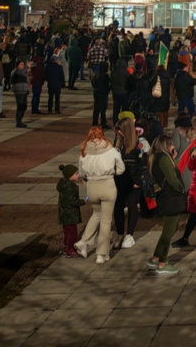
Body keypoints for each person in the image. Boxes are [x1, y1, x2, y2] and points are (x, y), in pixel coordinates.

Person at [75, 126, 124, 263]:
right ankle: (101, 254)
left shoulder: (84, 152)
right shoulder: (112, 150)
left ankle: (84, 242)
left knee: (97, 214)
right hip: (107, 185)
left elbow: (82, 173)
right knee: (106, 220)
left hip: (92, 187)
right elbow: (121, 169)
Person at [146, 134, 187, 275]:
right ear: (167, 146)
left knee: (169, 229)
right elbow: (171, 178)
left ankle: (155, 258)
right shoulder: (163, 159)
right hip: (171, 199)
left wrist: (173, 158)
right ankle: (163, 264)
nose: (173, 147)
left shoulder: (159, 158)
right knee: (168, 232)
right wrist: (181, 189)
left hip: (166, 199)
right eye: (172, 145)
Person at [112, 113, 147, 249]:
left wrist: (137, 181)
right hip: (120, 182)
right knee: (118, 208)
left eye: (119, 130)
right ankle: (120, 233)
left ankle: (129, 235)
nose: (117, 132)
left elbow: (142, 164)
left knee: (133, 208)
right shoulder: (118, 145)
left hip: (133, 183)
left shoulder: (139, 145)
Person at [57, 164, 84, 258]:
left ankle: (66, 248)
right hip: (70, 215)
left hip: (64, 214)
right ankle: (70, 250)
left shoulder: (63, 185)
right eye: (76, 174)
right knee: (72, 234)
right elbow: (73, 201)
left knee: (67, 233)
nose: (78, 175)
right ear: (70, 176)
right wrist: (83, 201)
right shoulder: (70, 187)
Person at [9, 60, 30, 129]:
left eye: (23, 64)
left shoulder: (23, 72)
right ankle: (18, 122)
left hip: (24, 90)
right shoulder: (16, 71)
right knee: (20, 106)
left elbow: (26, 79)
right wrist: (27, 67)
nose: (22, 65)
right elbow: (21, 72)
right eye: (21, 64)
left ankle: (20, 120)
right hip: (19, 91)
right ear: (17, 65)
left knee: (24, 106)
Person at [91, 61, 110, 127]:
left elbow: (92, 82)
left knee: (96, 107)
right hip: (103, 93)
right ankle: (103, 123)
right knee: (103, 109)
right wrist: (107, 91)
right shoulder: (105, 75)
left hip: (96, 91)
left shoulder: (96, 74)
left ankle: (95, 121)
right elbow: (107, 85)